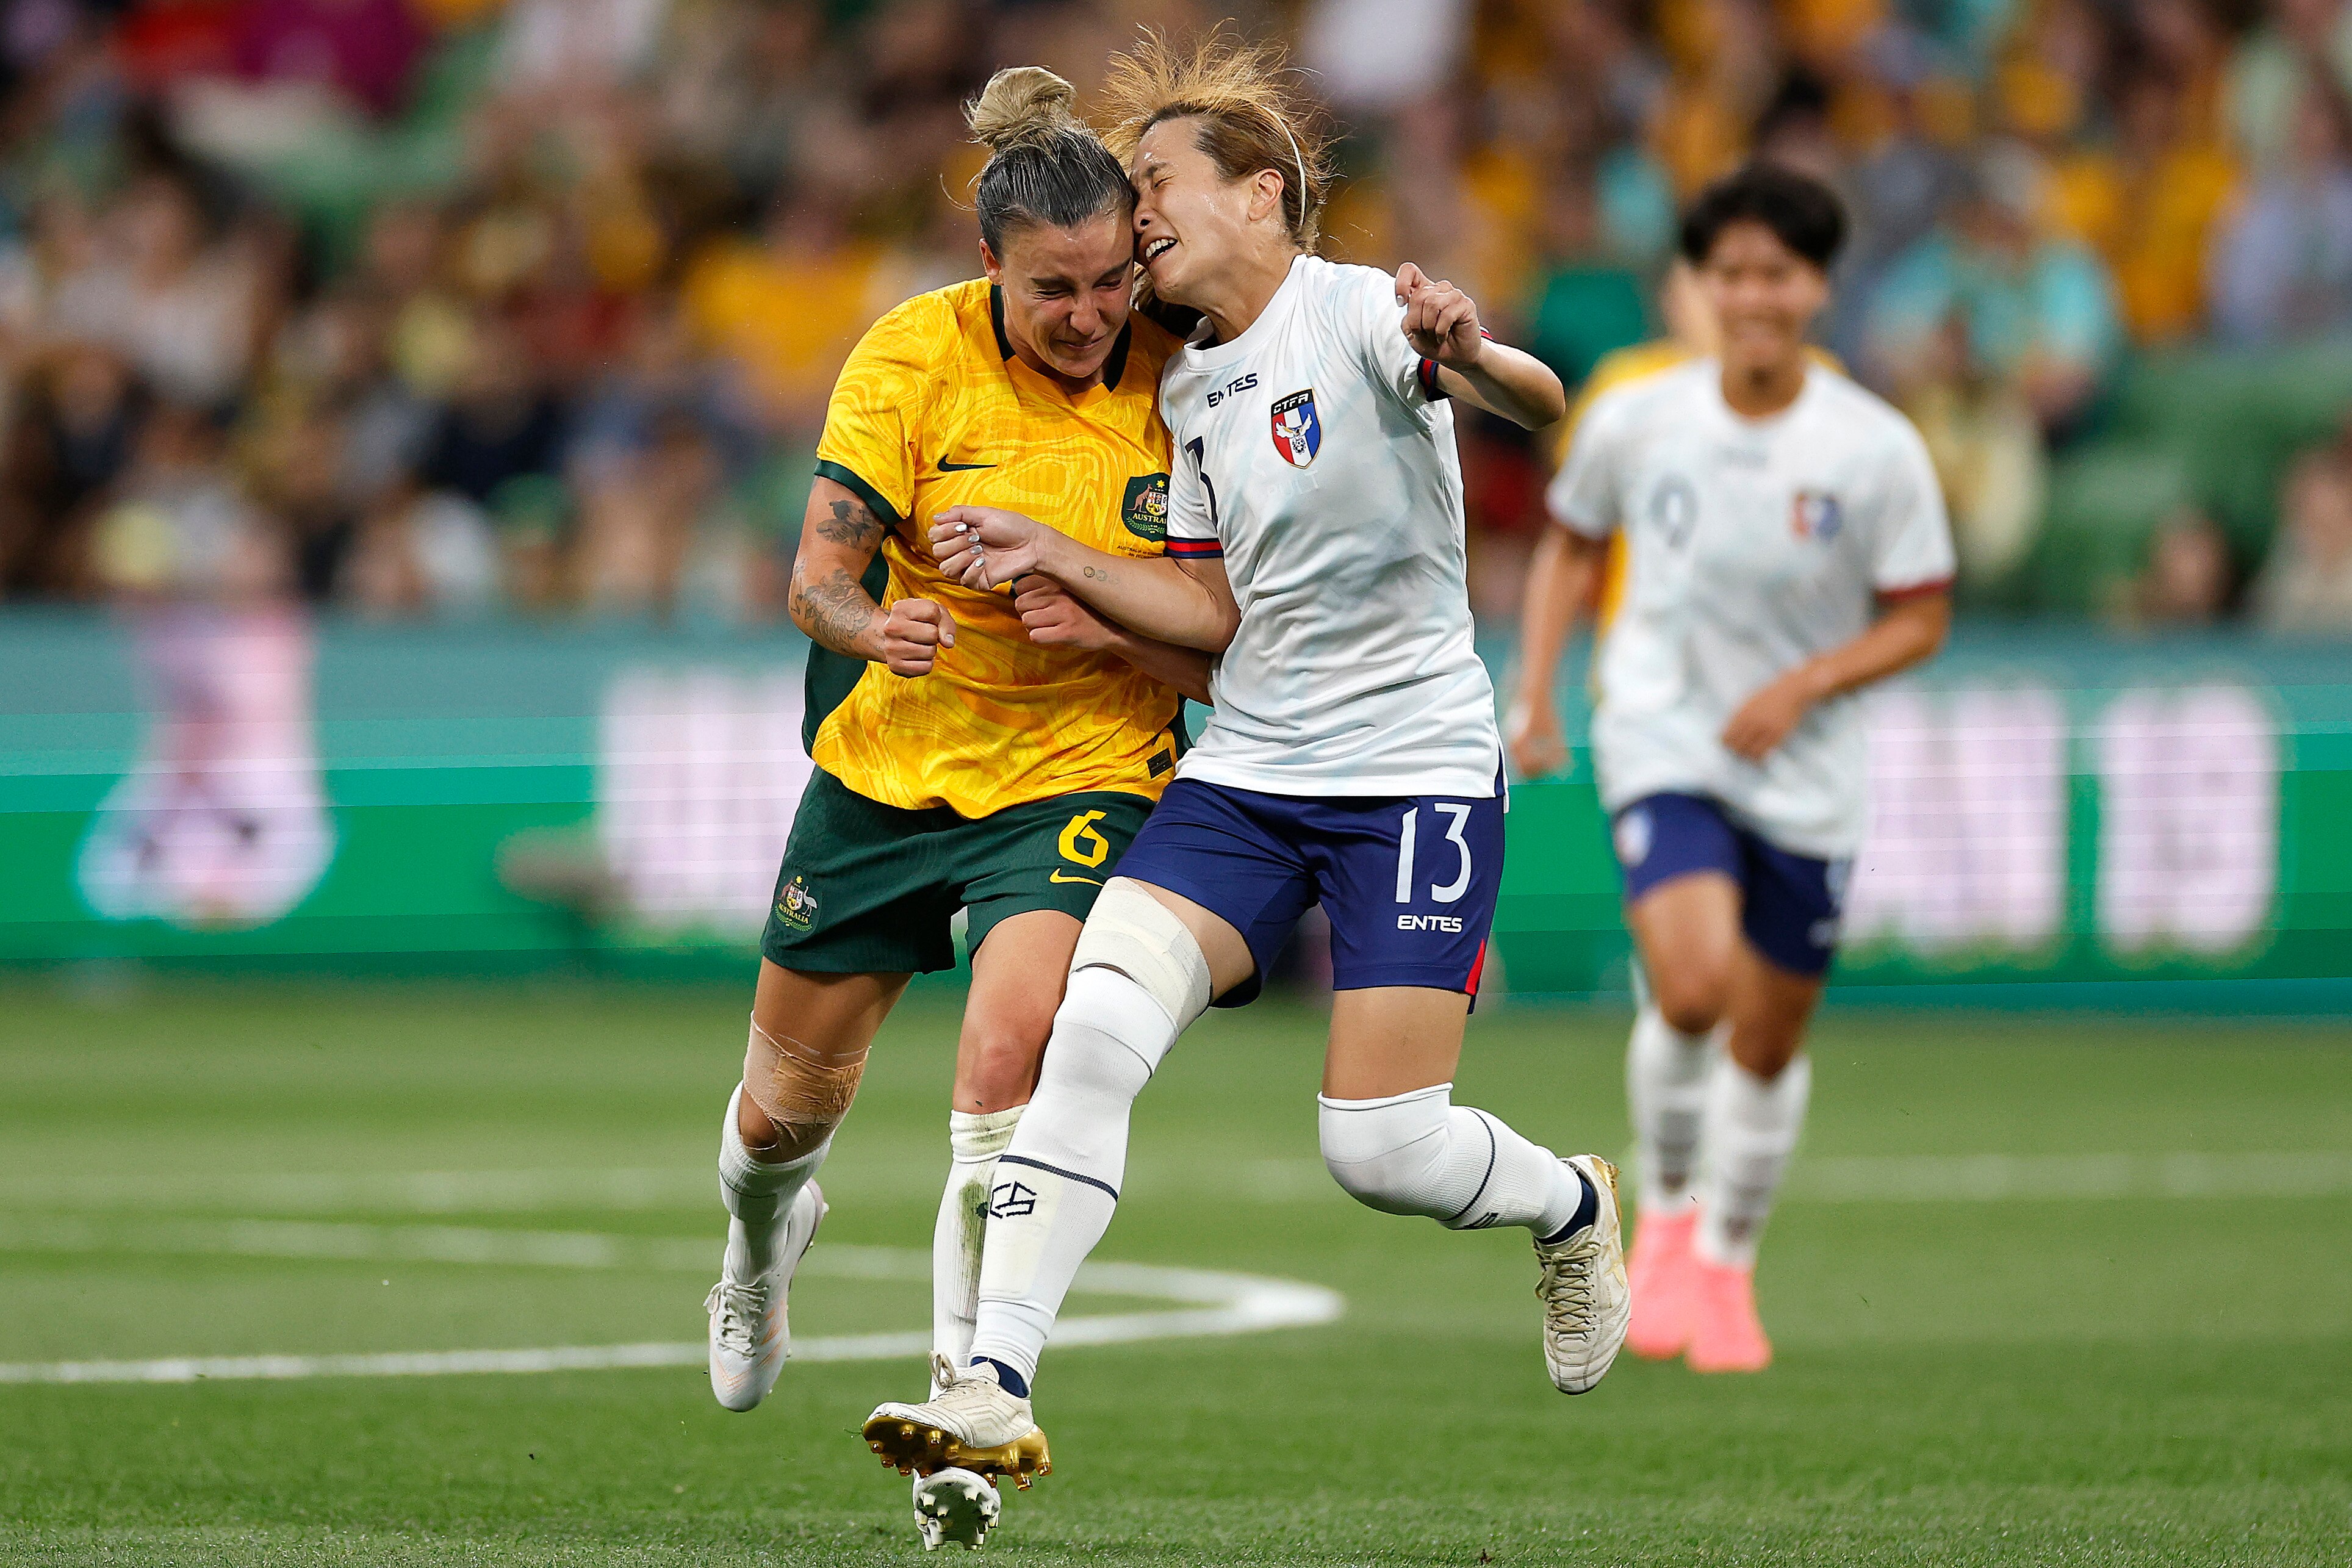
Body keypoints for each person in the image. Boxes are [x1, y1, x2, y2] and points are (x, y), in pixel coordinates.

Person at [857, 30, 1628, 1489]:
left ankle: (1570, 1205)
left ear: (1261, 196)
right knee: (1089, 1031)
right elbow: (1211, 614)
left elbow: (1538, 406)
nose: (1135, 212)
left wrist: (1472, 351)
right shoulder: (1190, 389)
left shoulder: (1355, 316)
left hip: (1410, 770)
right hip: (1251, 769)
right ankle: (989, 1382)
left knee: (1379, 1148)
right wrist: (1068, 572)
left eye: (1156, 183)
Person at [700, 67, 1210, 1552]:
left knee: (1012, 1051)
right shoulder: (909, 358)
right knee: (777, 1121)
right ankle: (755, 1245)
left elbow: (1222, 626)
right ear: (989, 264)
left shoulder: (1186, 371)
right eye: (1055, 289)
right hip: (886, 768)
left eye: (1114, 280)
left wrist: (1112, 628)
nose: (1089, 314)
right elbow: (811, 579)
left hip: (1079, 769)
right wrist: (873, 631)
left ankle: (962, 1412)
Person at [1508, 164, 1955, 1373]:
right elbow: (1566, 547)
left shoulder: (1868, 445)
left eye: (1777, 273)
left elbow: (1920, 612)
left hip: (1805, 766)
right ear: (1699, 286)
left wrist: (1808, 682)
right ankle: (1660, 1220)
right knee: (1694, 988)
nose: (1752, 295)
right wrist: (1537, 691)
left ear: (1815, 286)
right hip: (1662, 734)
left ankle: (1725, 1263)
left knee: (1763, 1040)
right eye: (1731, 273)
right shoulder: (1637, 415)